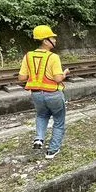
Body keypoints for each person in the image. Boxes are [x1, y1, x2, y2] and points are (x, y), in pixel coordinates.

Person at [18, 25, 69, 160]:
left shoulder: (28, 56)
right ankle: (52, 151)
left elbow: (22, 77)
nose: (55, 40)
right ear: (46, 41)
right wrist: (65, 73)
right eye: (52, 37)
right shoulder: (53, 57)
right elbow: (58, 78)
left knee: (41, 115)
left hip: (36, 94)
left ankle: (39, 139)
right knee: (58, 121)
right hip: (53, 94)